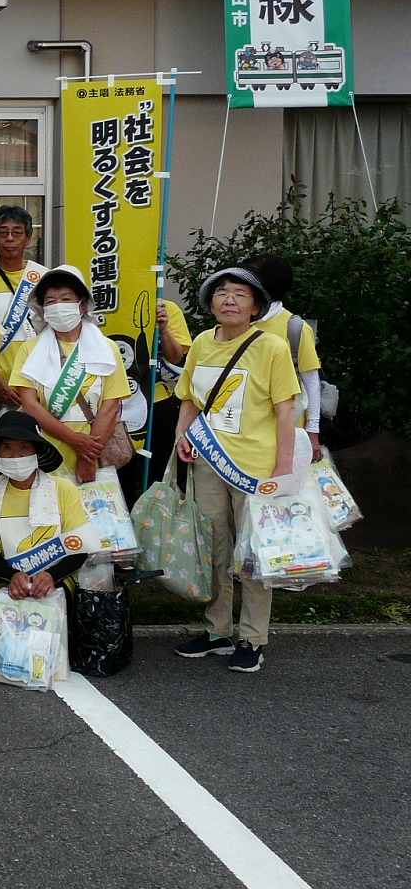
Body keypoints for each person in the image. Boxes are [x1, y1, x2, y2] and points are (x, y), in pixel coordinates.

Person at [173, 266, 299, 673]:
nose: (229, 300)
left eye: (240, 294)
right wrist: (182, 436)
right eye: (221, 293)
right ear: (210, 303)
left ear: (257, 305)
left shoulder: (272, 347)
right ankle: (217, 630)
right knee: (215, 548)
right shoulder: (201, 344)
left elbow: (286, 412)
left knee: (252, 556)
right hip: (209, 461)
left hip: (256, 469)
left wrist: (281, 470)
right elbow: (189, 398)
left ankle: (253, 637)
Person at [0, 411, 99, 638]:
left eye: (24, 447)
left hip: (57, 579)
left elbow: (80, 548)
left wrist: (49, 576)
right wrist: (13, 577)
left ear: (36, 451)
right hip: (8, 581)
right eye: (7, 447)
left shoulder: (62, 490)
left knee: (52, 630)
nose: (15, 455)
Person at [9, 264, 129, 483]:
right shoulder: (30, 349)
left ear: (82, 305)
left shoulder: (107, 348)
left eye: (66, 299)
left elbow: (110, 407)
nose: (58, 306)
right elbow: (30, 405)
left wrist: (87, 457)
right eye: (51, 301)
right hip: (45, 453)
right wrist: (75, 441)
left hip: (95, 456)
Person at [244, 254, 325, 465]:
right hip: (242, 433)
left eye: (250, 278)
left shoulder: (295, 328)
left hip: (286, 433)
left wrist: (313, 433)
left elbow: (311, 382)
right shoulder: (236, 325)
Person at [0, 204, 45, 409]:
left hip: (37, 385)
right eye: (3, 232)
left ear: (29, 237)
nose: (9, 239)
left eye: (17, 233)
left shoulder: (44, 277)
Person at [148, 294, 194, 486]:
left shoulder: (166, 306)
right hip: (113, 404)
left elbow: (176, 357)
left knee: (161, 473)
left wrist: (164, 330)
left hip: (157, 401)